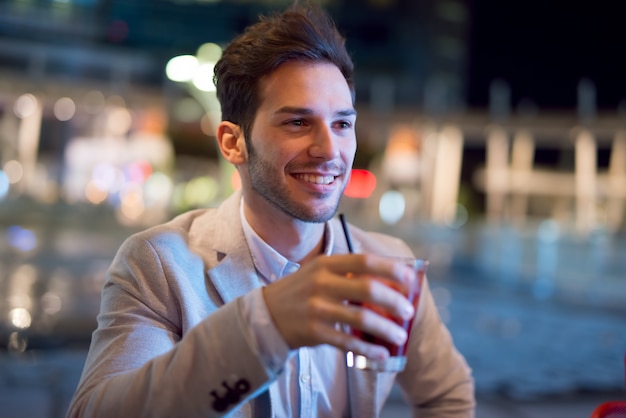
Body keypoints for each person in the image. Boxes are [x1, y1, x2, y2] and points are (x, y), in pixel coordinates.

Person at [67, 2, 475, 417]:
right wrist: (266, 326)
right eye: (297, 123)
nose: (329, 150)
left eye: (342, 124)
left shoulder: (389, 266)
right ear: (232, 142)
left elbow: (446, 396)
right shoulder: (159, 266)